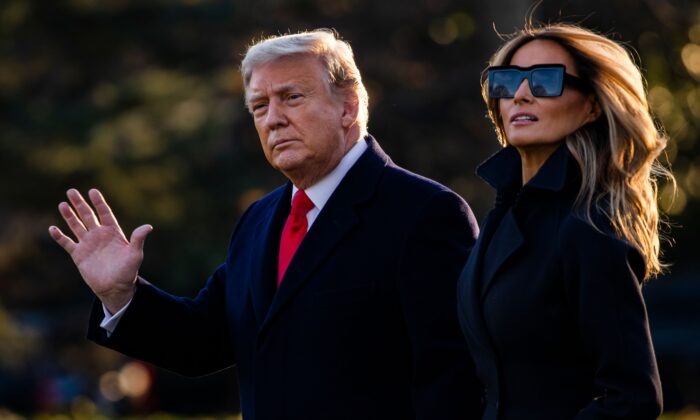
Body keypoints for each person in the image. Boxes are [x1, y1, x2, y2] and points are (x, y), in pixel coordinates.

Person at [49, 29, 483, 419]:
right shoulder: (259, 220)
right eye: (259, 106)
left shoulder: (426, 213)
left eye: (291, 97)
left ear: (348, 108)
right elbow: (203, 343)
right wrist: (121, 295)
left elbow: (453, 383)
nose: (272, 118)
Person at [457, 22, 671, 419]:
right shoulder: (503, 215)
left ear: (591, 105)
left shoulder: (590, 228)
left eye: (544, 81)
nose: (520, 94)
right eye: (508, 81)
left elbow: (633, 398)